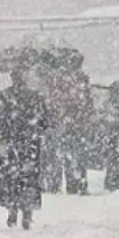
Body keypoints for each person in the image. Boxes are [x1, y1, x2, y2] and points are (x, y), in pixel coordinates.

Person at [0, 68, 49, 229]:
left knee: (9, 176)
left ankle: (12, 210)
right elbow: (44, 121)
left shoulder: (3, 97)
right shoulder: (35, 97)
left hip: (9, 143)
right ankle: (27, 211)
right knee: (29, 176)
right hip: (29, 143)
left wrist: (9, 125)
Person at [42, 48, 94, 195]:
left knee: (74, 154)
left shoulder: (72, 79)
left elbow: (56, 101)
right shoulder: (64, 79)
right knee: (72, 154)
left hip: (72, 123)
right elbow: (57, 100)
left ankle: (77, 183)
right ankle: (76, 184)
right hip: (70, 123)